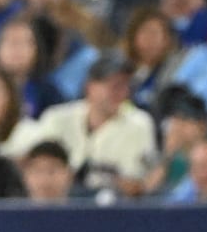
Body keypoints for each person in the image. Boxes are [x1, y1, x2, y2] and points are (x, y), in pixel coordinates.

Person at [27, 52, 158, 198]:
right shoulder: (57, 118)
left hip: (113, 208)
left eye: (124, 85)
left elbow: (142, 182)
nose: (120, 92)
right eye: (113, 85)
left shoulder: (140, 124)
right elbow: (36, 167)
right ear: (89, 87)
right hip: (58, 204)